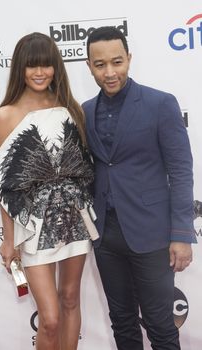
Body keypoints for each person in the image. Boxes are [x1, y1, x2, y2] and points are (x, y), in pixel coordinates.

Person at [82, 26, 197, 350]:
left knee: (161, 325)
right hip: (106, 236)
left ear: (129, 59)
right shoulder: (86, 111)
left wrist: (181, 235)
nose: (110, 72)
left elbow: (180, 171)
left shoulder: (160, 103)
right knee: (122, 323)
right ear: (89, 66)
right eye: (100, 64)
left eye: (117, 62)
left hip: (152, 233)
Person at [0, 32, 95, 350]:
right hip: (32, 226)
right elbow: (5, 185)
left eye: (47, 65)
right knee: (49, 318)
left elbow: (85, 167)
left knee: (70, 300)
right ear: (20, 69)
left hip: (73, 220)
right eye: (32, 66)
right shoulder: (5, 114)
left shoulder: (71, 108)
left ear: (56, 68)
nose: (40, 72)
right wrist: (9, 241)